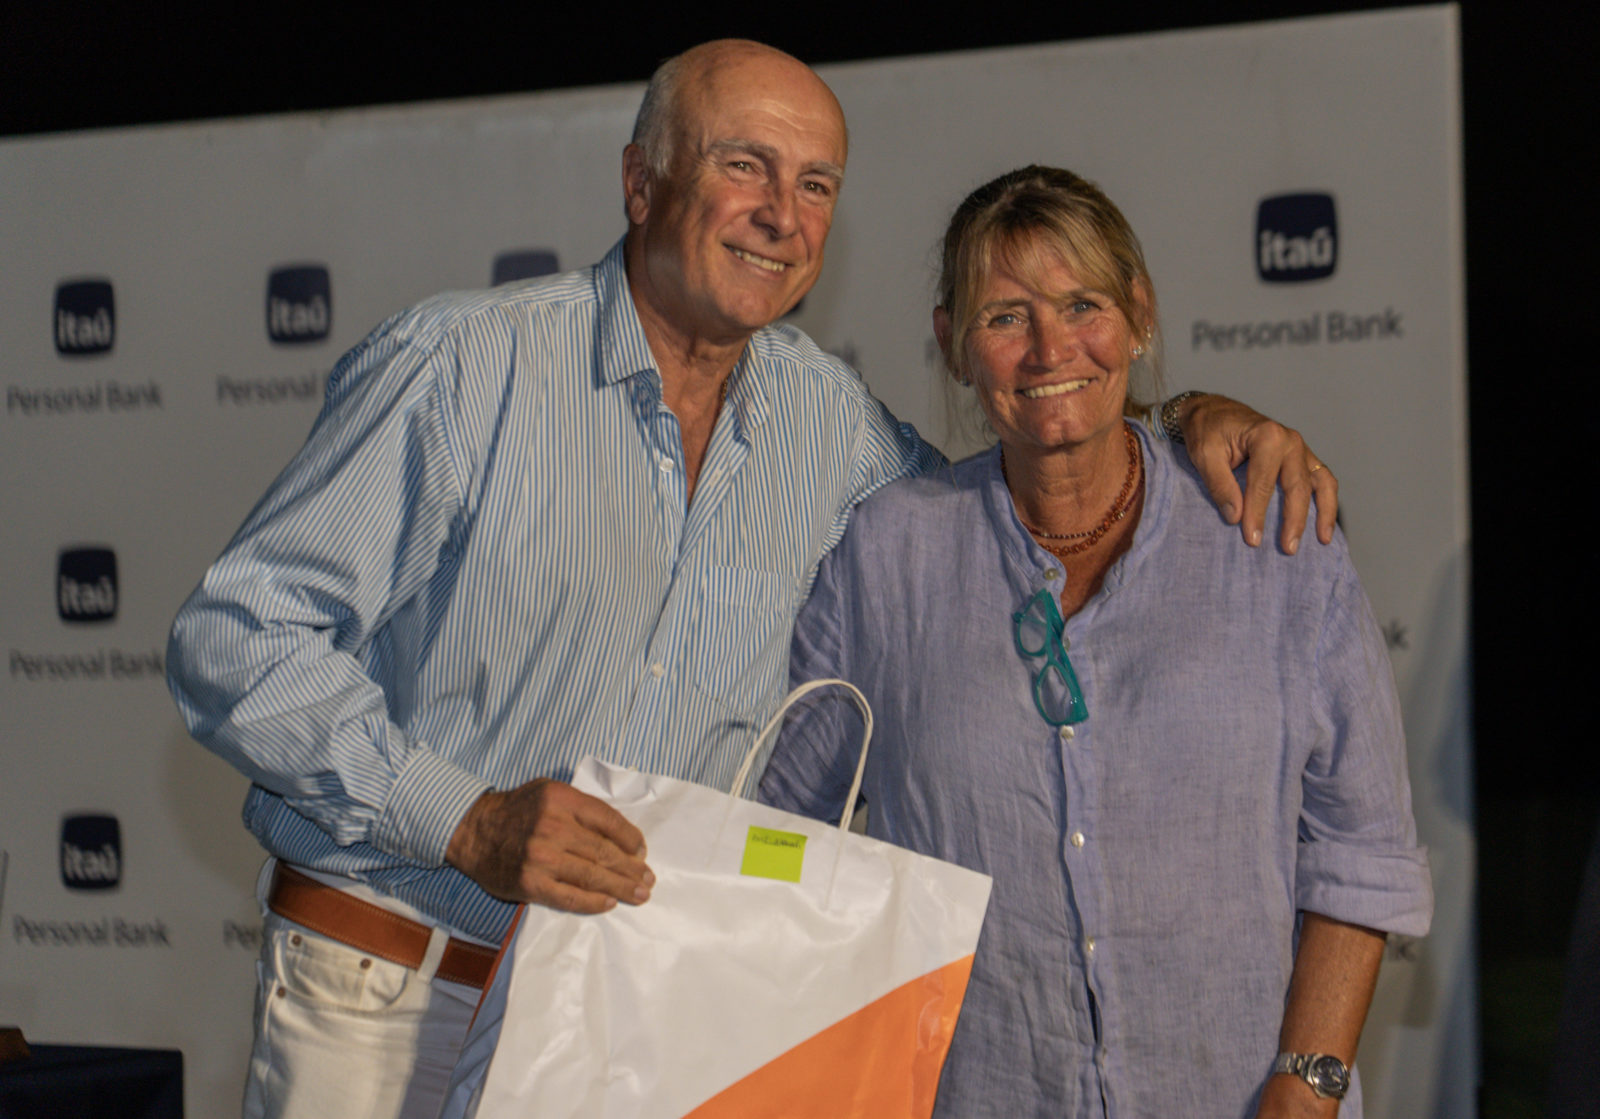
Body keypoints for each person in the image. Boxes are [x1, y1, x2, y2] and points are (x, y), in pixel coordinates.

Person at [166, 43, 1338, 1119]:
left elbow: (1019, 483)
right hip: (395, 998)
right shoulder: (464, 366)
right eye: (745, 166)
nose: (783, 213)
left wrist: (1187, 418)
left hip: (632, 1020)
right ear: (642, 184)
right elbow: (235, 640)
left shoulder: (832, 427)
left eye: (816, 183)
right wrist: (465, 819)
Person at [759, 165, 1432, 1119]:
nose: (1050, 349)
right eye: (1005, 317)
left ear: (1139, 314)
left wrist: (1309, 1080)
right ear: (953, 344)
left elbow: (1362, 850)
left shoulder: (1272, 535)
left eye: (1083, 305)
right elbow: (782, 826)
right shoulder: (887, 556)